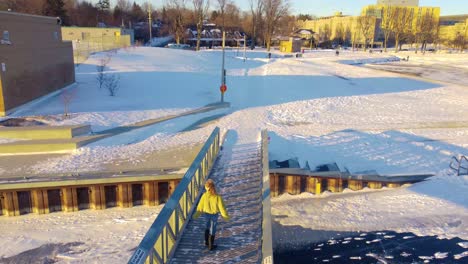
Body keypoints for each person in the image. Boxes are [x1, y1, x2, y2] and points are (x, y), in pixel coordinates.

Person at [194, 179, 230, 250]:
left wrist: (196, 215)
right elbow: (222, 208)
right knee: (212, 229)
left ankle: (207, 242)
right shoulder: (217, 197)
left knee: (207, 227)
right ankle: (211, 246)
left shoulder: (204, 196)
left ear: (206, 187)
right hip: (214, 215)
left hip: (206, 214)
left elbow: (200, 207)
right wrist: (226, 217)